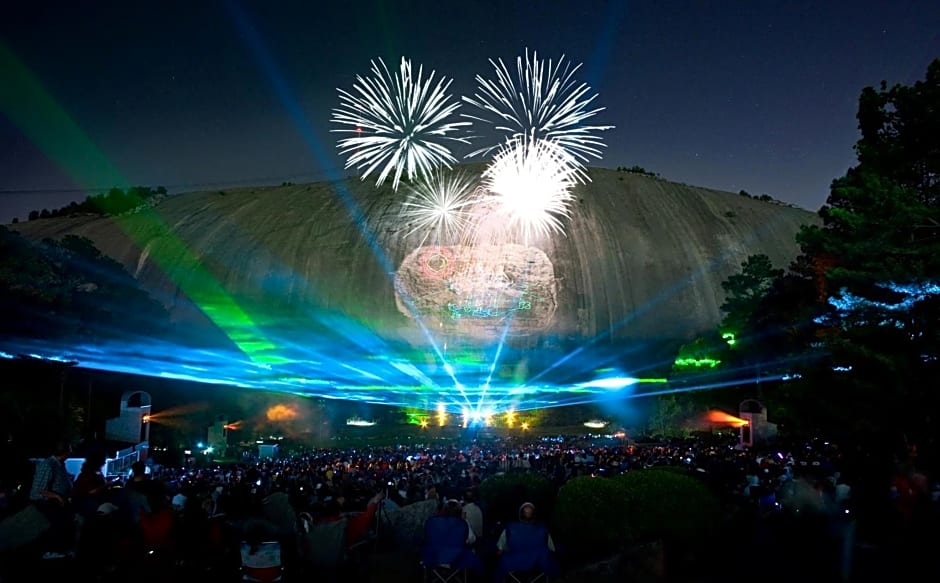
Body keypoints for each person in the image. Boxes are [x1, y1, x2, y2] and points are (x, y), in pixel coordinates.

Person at [29, 440, 75, 559]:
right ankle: (51, 550)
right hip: (43, 499)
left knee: (70, 517)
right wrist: (57, 496)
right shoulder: (48, 465)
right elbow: (39, 489)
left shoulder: (60, 464)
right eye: (69, 451)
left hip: (58, 497)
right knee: (59, 519)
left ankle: (65, 547)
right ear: (64, 452)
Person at [494, 502, 559, 582]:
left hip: (513, 565)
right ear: (534, 516)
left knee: (501, 562)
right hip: (537, 566)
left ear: (520, 515)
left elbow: (500, 550)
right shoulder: (543, 530)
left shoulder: (509, 528)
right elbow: (552, 549)